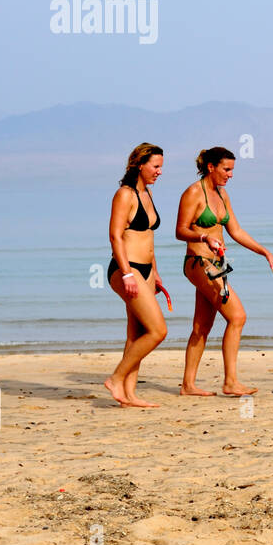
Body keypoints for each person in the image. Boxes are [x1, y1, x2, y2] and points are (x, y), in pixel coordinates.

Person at [176, 146, 273, 396]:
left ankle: (188, 385)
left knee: (202, 327)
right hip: (199, 263)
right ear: (211, 167)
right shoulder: (194, 193)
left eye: (232, 170)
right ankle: (230, 382)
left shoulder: (222, 195)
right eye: (227, 169)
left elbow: (236, 231)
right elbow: (180, 230)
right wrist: (204, 237)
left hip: (217, 265)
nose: (230, 175)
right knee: (237, 317)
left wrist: (266, 253)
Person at [103, 143, 170, 407]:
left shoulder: (147, 193)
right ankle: (116, 378)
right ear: (139, 165)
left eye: (161, 166)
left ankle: (128, 394)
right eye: (155, 166)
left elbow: (147, 236)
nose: (159, 171)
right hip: (125, 269)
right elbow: (115, 235)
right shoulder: (125, 194)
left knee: (136, 333)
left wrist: (155, 273)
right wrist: (128, 274)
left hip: (146, 271)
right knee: (158, 331)